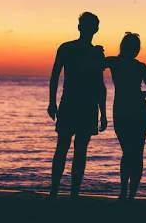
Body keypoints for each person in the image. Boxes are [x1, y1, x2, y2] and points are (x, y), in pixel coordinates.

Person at [47, 12, 108, 199]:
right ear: (80, 27)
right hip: (72, 103)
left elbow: (100, 84)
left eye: (90, 25)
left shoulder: (95, 53)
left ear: (94, 29)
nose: (88, 28)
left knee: (77, 149)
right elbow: (55, 75)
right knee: (66, 147)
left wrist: (103, 113)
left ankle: (70, 192)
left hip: (86, 105)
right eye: (86, 25)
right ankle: (57, 191)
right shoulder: (67, 48)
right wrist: (52, 101)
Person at [104, 32, 146, 201]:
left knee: (129, 152)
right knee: (134, 153)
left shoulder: (115, 62)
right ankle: (129, 193)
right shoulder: (139, 66)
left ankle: (125, 192)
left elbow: (96, 63)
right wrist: (140, 94)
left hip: (123, 110)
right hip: (135, 110)